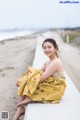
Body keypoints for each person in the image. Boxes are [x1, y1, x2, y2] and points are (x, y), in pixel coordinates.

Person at [13, 38, 66, 120]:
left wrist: (27, 78)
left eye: (49, 47)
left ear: (56, 48)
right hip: (49, 84)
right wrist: (25, 77)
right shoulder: (47, 62)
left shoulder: (56, 62)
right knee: (25, 79)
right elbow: (37, 72)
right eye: (44, 48)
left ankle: (27, 99)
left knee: (27, 80)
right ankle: (20, 109)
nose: (46, 49)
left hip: (55, 88)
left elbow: (41, 78)